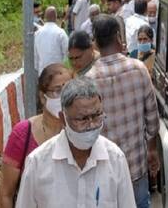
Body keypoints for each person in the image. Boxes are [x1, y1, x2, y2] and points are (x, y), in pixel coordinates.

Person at [14, 77, 136, 207]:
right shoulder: (38, 163)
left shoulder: (116, 158)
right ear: (63, 118)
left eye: (96, 116)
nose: (91, 125)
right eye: (82, 119)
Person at [87, 15, 160, 208]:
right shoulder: (139, 69)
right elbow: (152, 119)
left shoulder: (88, 81)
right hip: (136, 168)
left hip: (104, 172)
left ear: (95, 44)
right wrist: (152, 149)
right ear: (119, 37)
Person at [0, 64, 72, 208]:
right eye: (57, 90)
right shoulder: (23, 134)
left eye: (68, 90)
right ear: (42, 97)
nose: (64, 97)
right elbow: (6, 194)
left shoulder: (78, 131)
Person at [34, 7, 68, 75]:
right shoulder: (61, 32)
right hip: (58, 73)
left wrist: (38, 71)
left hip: (43, 73)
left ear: (45, 18)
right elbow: (67, 53)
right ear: (56, 17)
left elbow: (35, 56)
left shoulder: (37, 33)